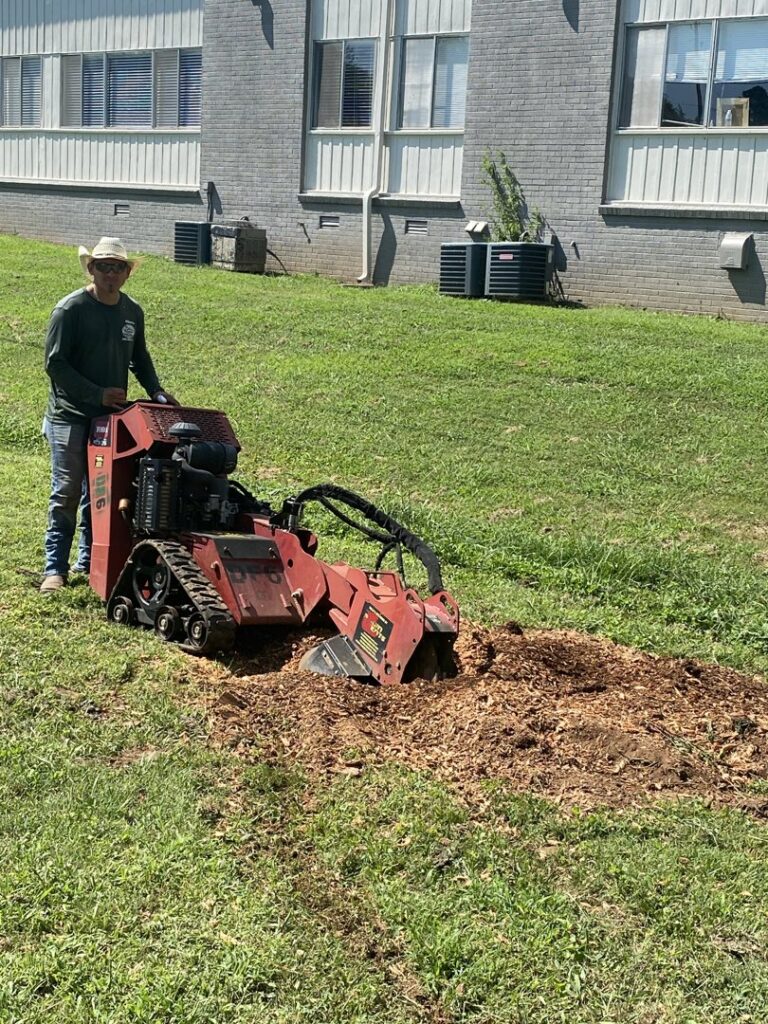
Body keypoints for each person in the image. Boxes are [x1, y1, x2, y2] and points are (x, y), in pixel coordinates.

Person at [40, 237, 178, 593]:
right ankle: (54, 570)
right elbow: (55, 365)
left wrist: (156, 392)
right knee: (67, 491)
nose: (111, 273)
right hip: (69, 416)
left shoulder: (132, 312)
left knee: (99, 492)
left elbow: (140, 357)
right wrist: (96, 393)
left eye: (118, 267)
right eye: (104, 266)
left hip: (109, 420)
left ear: (127, 273)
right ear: (91, 269)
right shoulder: (70, 310)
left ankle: (88, 562)